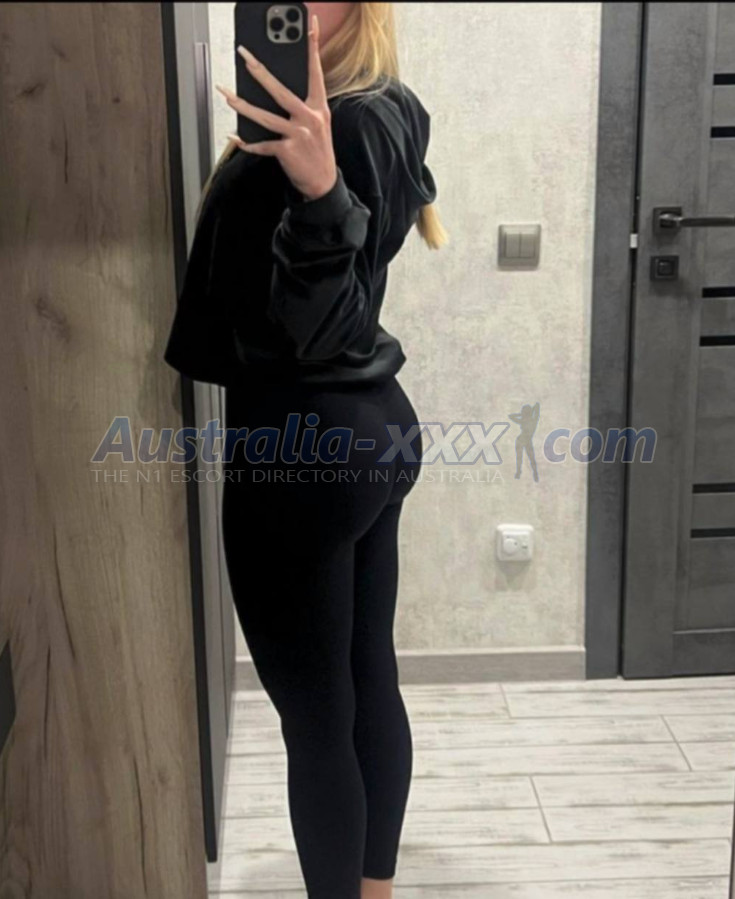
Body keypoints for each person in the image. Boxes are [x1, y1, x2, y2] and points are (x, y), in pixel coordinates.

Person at [164, 4, 446, 897]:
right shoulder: (381, 105)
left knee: (317, 718)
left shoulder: (344, 124)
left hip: (302, 437)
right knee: (363, 678)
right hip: (367, 426)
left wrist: (321, 193)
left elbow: (326, 323)